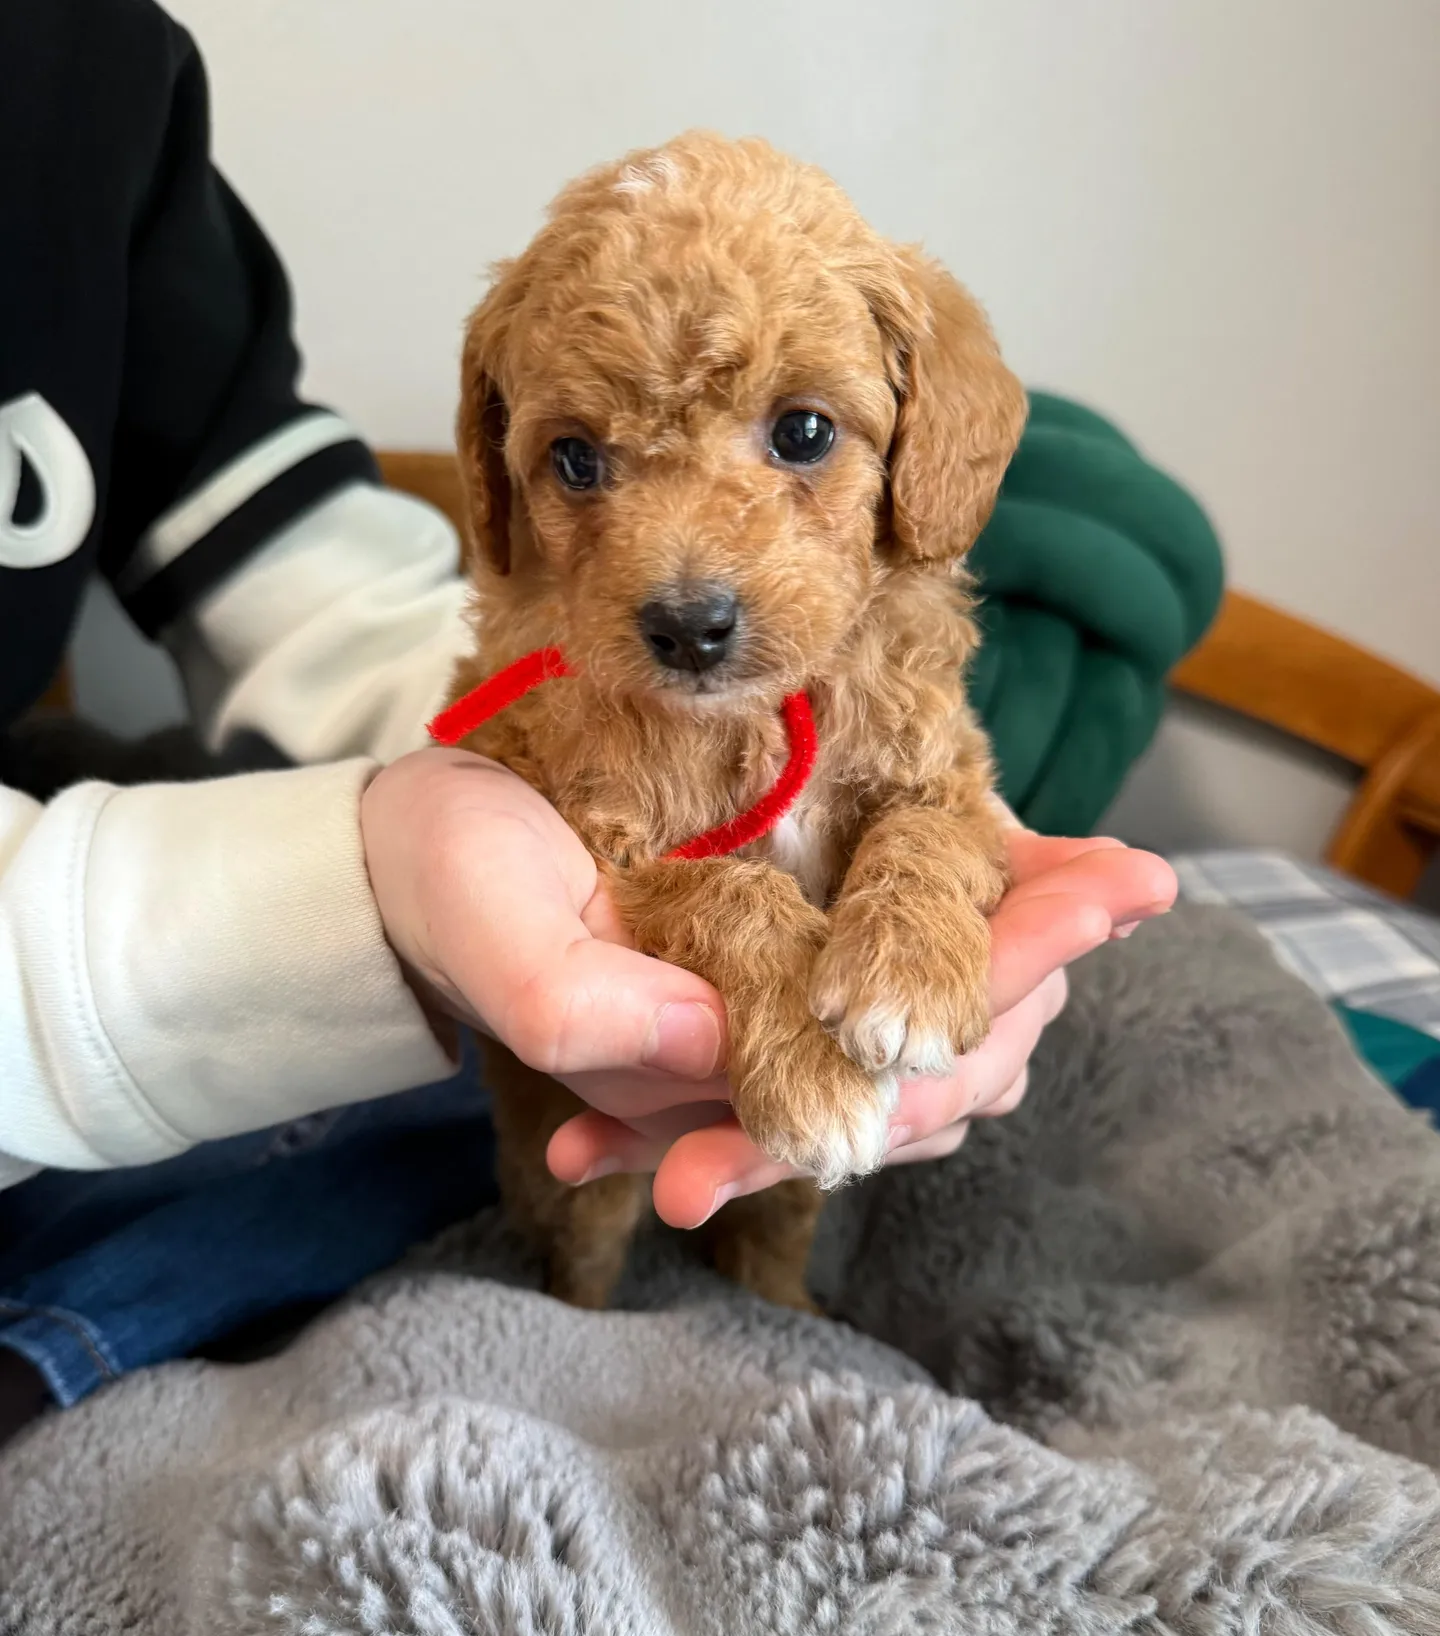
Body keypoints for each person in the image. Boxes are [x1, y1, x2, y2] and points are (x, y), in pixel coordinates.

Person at [0, 0, 1175, 1434]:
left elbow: (275, 545)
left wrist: (916, 886)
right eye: (583, 460)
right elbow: (580, 796)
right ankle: (568, 1307)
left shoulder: (92, 63)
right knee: (551, 1192)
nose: (685, 581)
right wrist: (386, 875)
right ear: (506, 473)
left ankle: (771, 1291)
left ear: (922, 428)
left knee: (744, 1188)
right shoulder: (586, 660)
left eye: (799, 436)